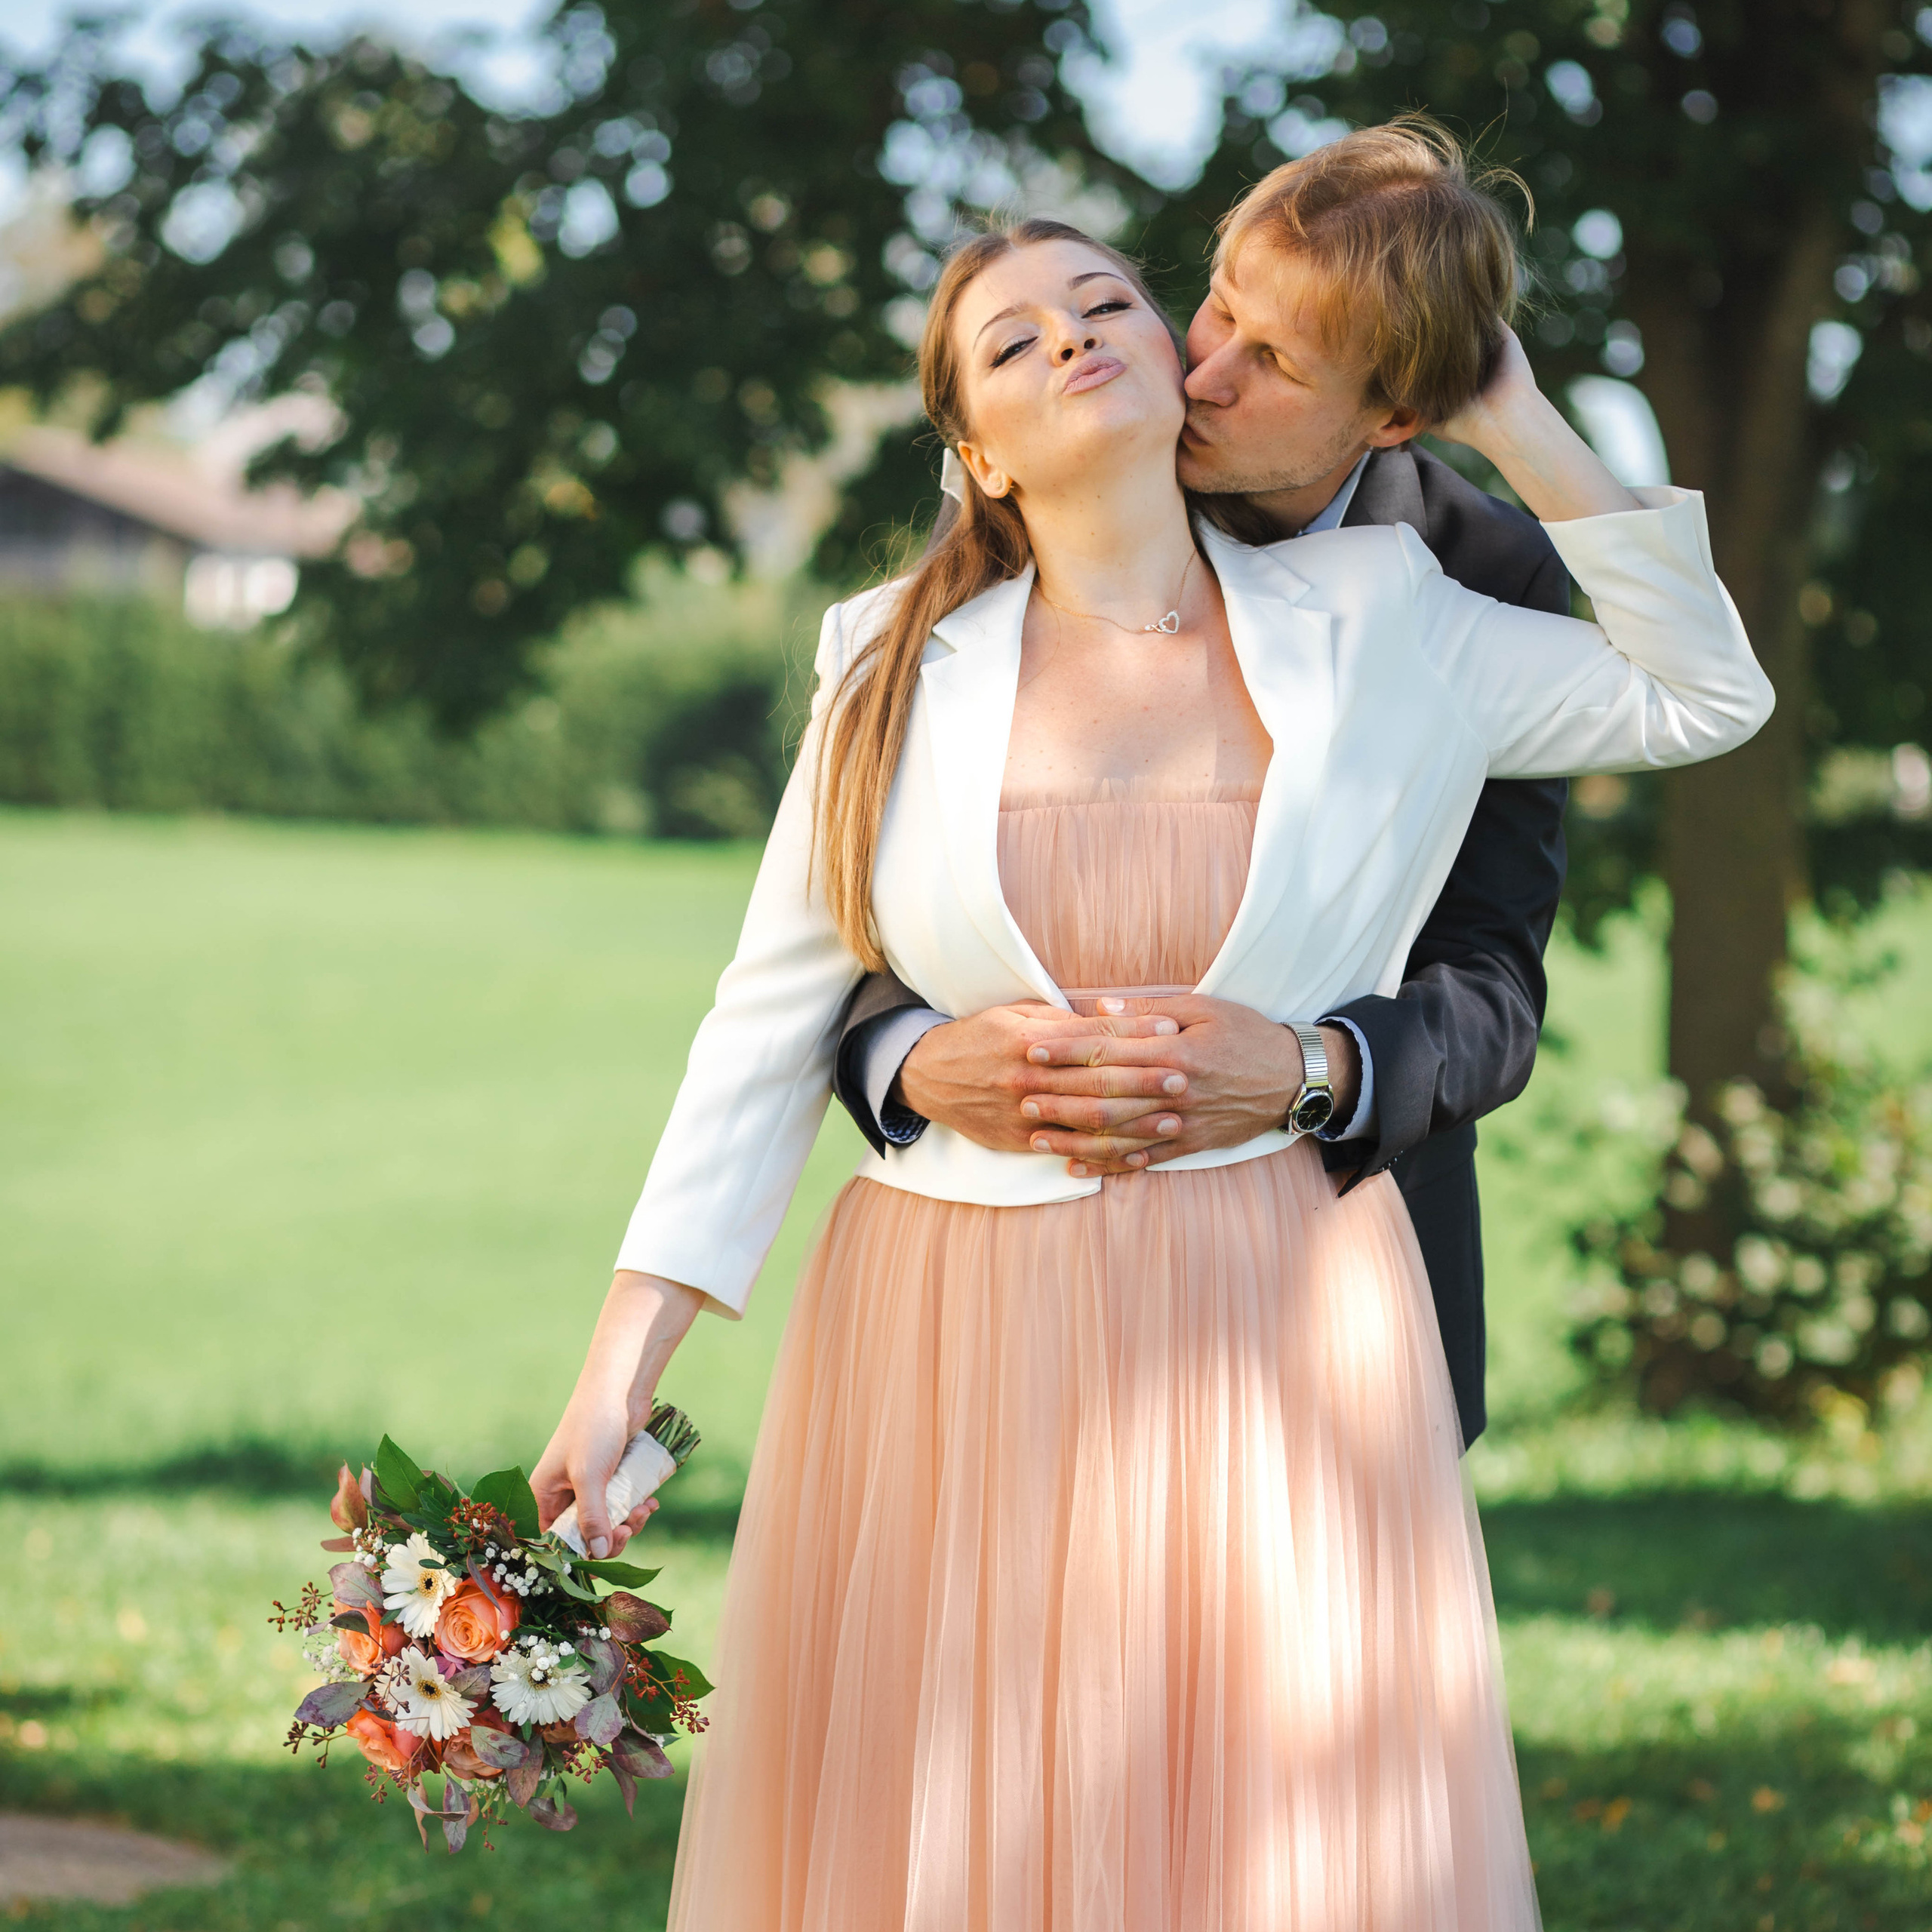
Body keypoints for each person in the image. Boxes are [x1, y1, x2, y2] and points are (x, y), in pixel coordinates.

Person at [536, 128, 1772, 1929]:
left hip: (1279, 1302)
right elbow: (770, 1011)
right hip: (951, 1320)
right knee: (966, 1819)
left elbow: (1702, 694)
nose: (1111, 342)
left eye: (1098, 298)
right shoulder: (887, 654)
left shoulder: (1397, 614)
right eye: (1018, 341)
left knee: (1261, 1828)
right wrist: (618, 1359)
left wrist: (1509, 404)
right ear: (975, 448)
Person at [834, 131, 1577, 1452]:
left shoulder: (1483, 574)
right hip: (1027, 1252)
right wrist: (916, 1056)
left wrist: (1314, 1071)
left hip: (1344, 1264)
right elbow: (873, 892)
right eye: (1217, 309)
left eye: (1277, 361)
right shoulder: (1080, 471)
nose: (1206, 373)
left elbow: (1491, 976)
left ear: (1394, 414)